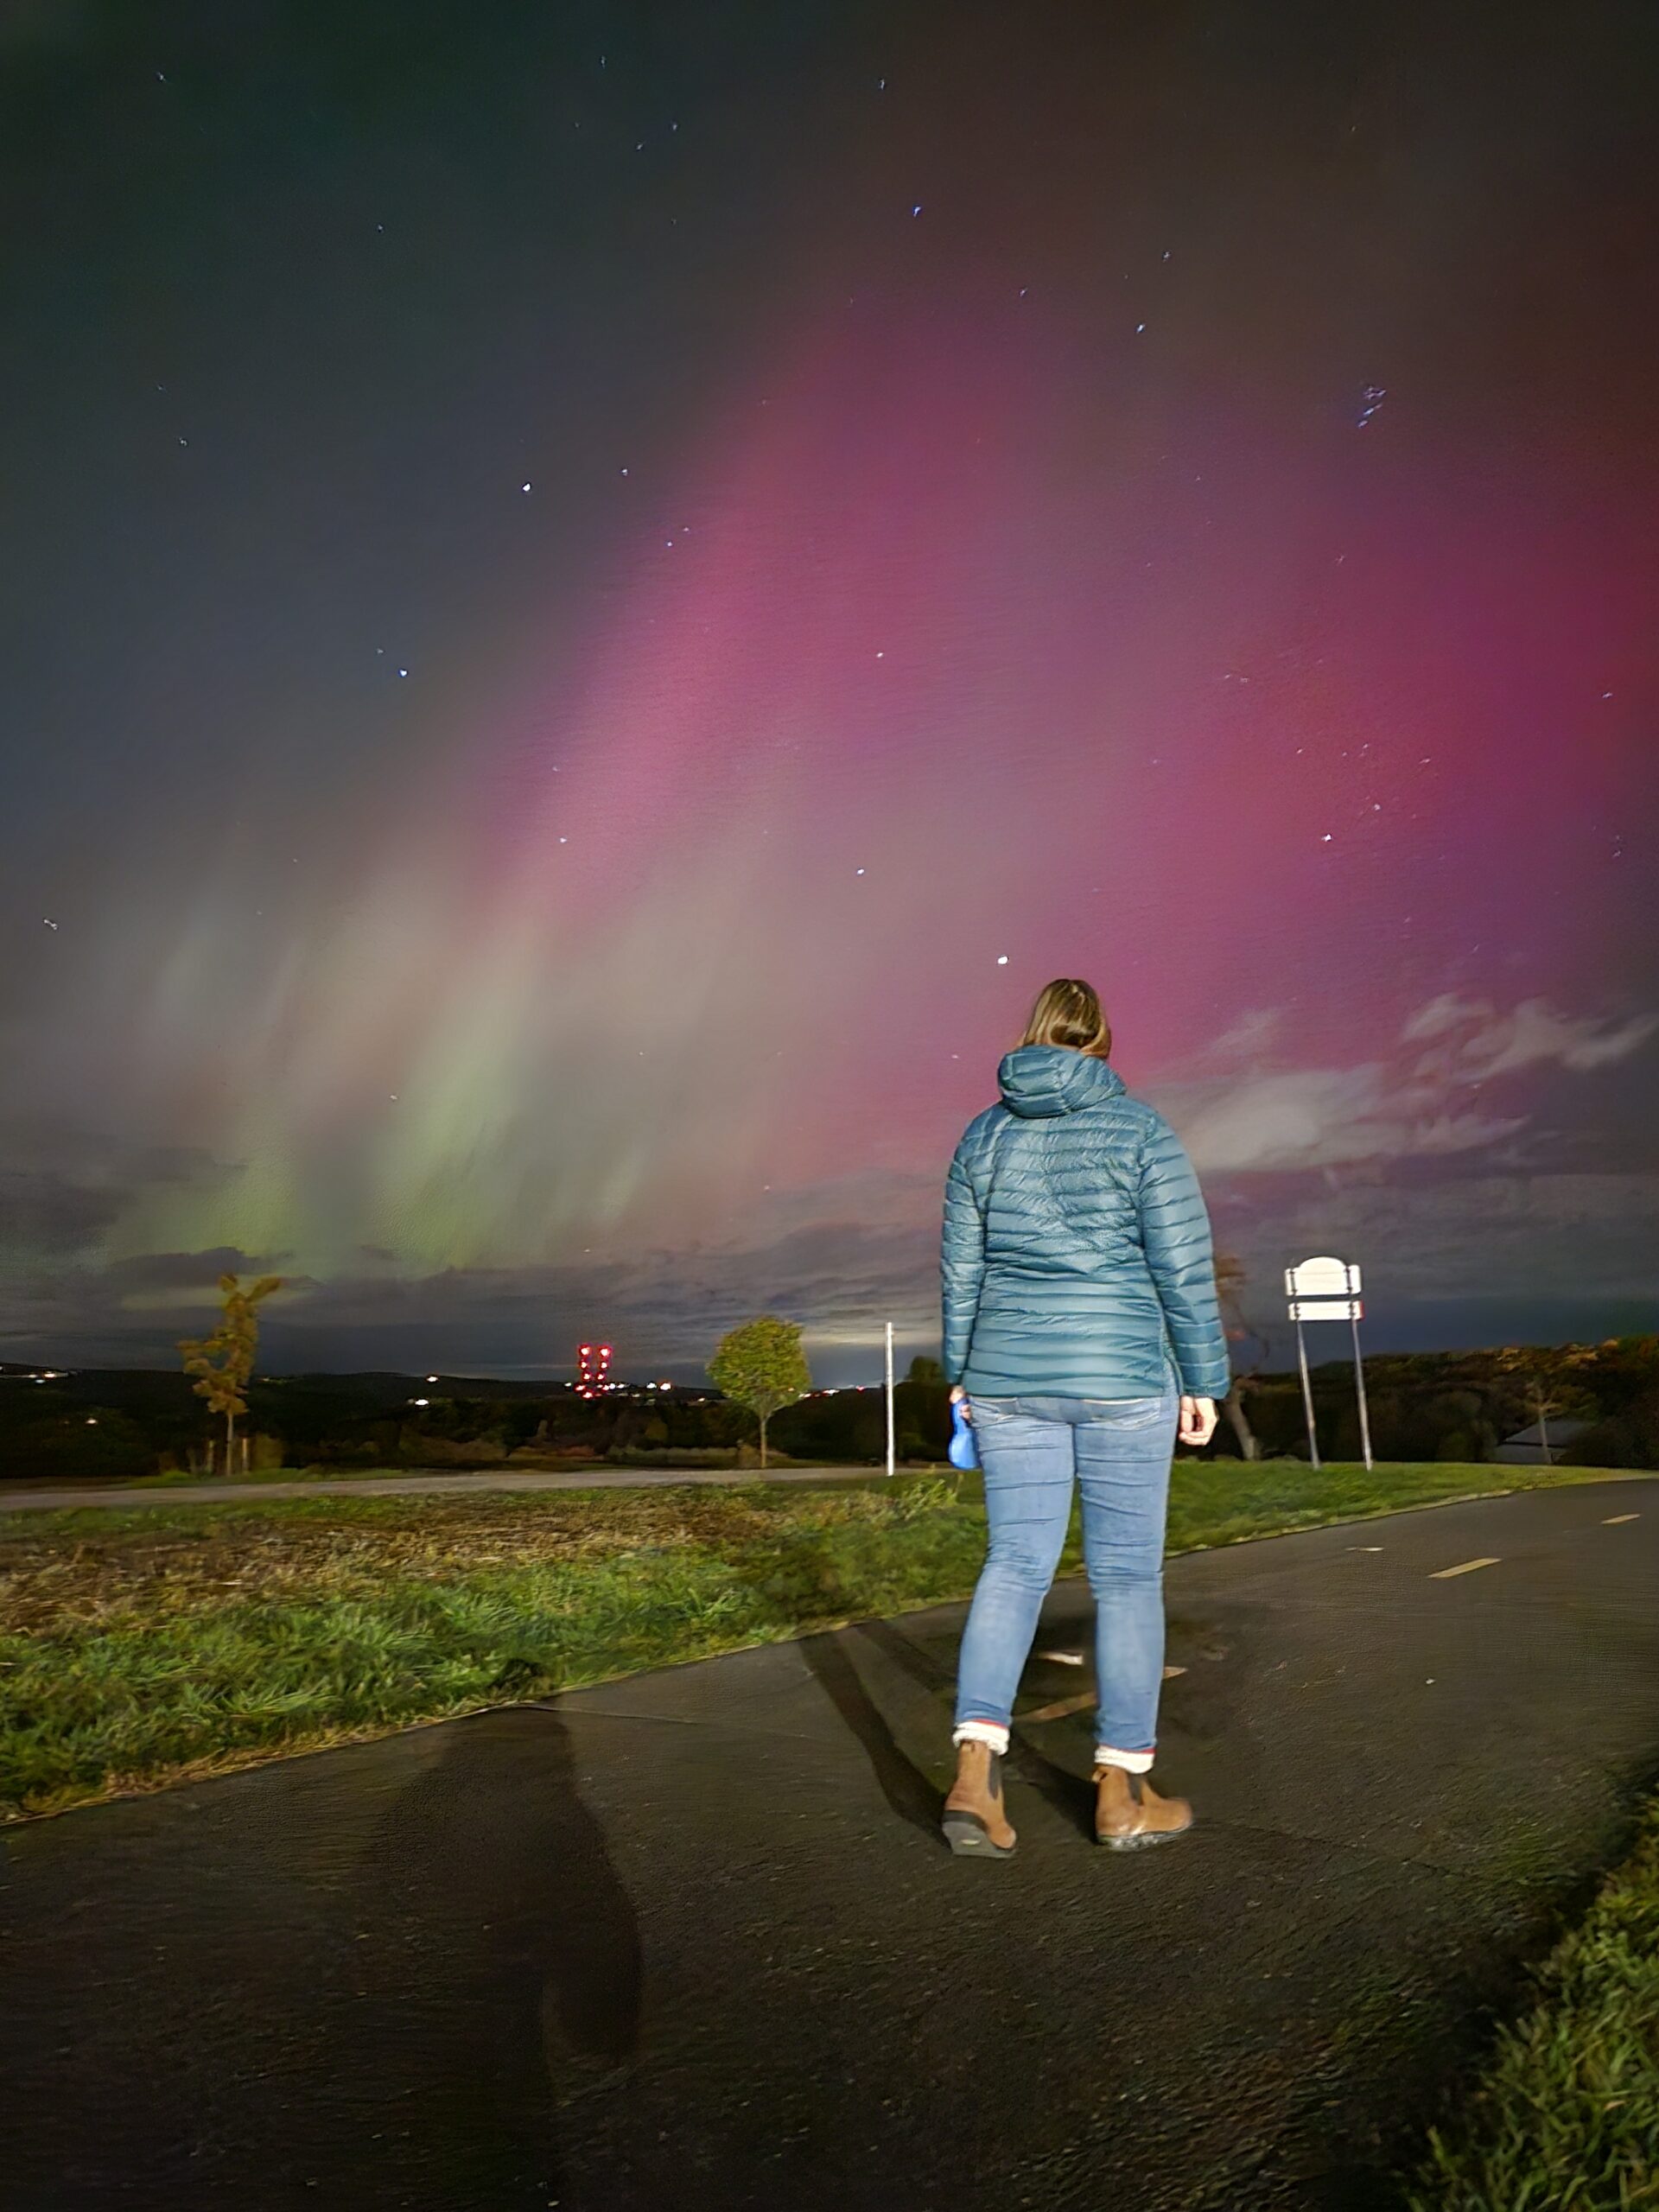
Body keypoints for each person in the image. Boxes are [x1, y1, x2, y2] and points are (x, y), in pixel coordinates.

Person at [938, 977, 1227, 1859]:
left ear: (1033, 1039)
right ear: (1102, 1043)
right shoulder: (1142, 1131)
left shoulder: (984, 1135)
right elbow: (1183, 1267)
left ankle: (975, 1775)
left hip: (1007, 1375)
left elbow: (961, 1266)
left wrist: (959, 1371)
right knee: (1127, 1578)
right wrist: (1204, 1378)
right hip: (1122, 1378)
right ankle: (1122, 1790)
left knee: (1015, 1564)